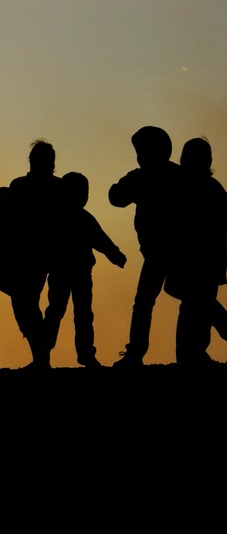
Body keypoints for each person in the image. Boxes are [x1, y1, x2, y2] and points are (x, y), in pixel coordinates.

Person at [0, 140, 64, 369]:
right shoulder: (28, 186)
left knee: (33, 306)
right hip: (30, 256)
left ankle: (42, 353)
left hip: (37, 256)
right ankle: (41, 355)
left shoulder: (33, 187)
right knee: (29, 306)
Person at [109, 126, 182, 367]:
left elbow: (116, 197)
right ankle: (135, 353)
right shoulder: (177, 175)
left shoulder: (144, 177)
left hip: (160, 252)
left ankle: (135, 353)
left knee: (144, 301)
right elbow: (117, 197)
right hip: (174, 250)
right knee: (192, 295)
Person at [42, 173, 126, 368]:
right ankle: (77, 354)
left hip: (68, 271)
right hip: (71, 271)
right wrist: (116, 255)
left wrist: (115, 255)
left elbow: (100, 239)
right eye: (83, 191)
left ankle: (46, 354)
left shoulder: (58, 216)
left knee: (62, 312)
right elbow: (101, 240)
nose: (85, 195)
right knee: (74, 313)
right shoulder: (77, 217)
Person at [165, 137, 227, 365]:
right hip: (203, 260)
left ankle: (191, 355)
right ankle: (194, 354)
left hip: (191, 260)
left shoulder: (179, 186)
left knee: (194, 307)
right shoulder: (212, 188)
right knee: (199, 305)